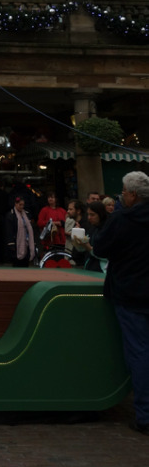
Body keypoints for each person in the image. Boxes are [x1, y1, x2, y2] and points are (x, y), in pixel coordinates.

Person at [93, 171, 149, 435]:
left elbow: (101, 247)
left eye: (124, 192)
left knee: (139, 352)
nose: (122, 196)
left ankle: (145, 414)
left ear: (132, 195)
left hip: (131, 293)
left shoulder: (122, 218)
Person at [72, 200, 109, 272]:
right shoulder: (92, 228)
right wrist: (78, 239)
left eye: (92, 215)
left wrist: (89, 248)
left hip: (102, 271)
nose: (89, 217)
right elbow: (83, 250)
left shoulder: (107, 229)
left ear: (100, 214)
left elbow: (106, 255)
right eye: (88, 214)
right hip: (89, 269)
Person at [4, 196, 37, 267]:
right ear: (15, 204)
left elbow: (30, 229)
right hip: (16, 243)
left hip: (26, 243)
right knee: (16, 264)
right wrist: (11, 243)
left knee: (25, 264)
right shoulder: (10, 215)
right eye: (20, 205)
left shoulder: (27, 214)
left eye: (23, 205)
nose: (21, 207)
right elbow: (9, 231)